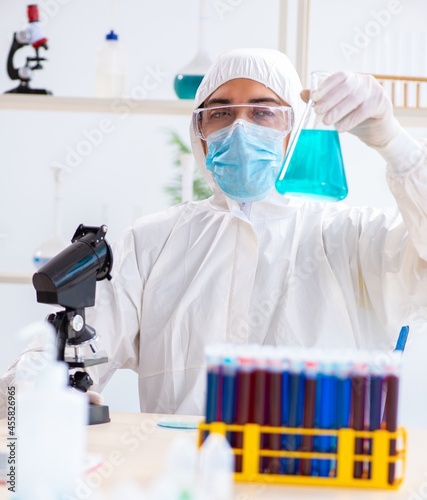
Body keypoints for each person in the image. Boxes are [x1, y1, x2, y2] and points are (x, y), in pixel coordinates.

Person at [1, 48, 426, 418]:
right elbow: (59, 352)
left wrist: (395, 143)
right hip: (182, 477)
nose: (240, 128)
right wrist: (37, 394)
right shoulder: (151, 243)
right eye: (220, 112)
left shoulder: (349, 237)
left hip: (316, 479)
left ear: (292, 129)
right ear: (199, 132)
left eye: (263, 111)